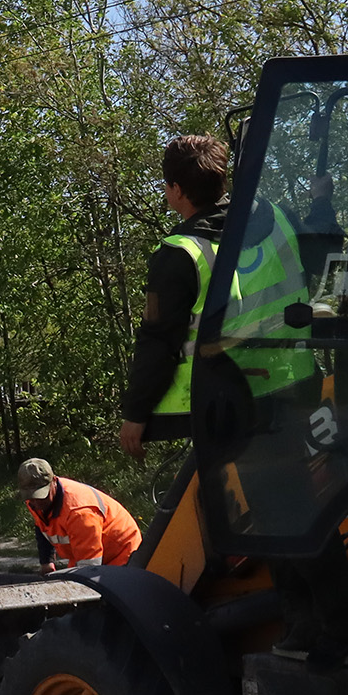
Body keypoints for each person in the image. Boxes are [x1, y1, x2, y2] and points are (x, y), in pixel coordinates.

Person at [119, 134, 233, 459]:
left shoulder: (178, 254)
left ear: (178, 190)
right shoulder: (270, 224)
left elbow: (158, 340)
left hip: (219, 405)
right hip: (287, 388)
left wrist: (135, 414)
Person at [17, 458, 141, 573]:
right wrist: (46, 562)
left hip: (122, 555)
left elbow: (90, 569)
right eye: (31, 497)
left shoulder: (79, 513)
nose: (35, 502)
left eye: (40, 496)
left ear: (54, 482)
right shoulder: (34, 501)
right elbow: (42, 527)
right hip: (82, 555)